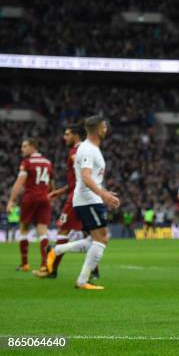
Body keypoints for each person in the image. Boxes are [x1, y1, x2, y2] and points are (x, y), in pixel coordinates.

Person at [47, 116, 120, 290]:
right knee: (101, 239)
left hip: (90, 199)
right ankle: (82, 280)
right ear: (97, 129)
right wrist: (103, 194)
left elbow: (91, 177)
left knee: (96, 239)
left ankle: (57, 251)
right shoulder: (87, 149)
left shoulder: (93, 148)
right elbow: (86, 177)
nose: (106, 130)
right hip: (88, 199)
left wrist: (103, 192)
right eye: (104, 127)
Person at [34, 123, 99, 279]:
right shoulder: (87, 149)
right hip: (88, 197)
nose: (64, 137)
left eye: (67, 134)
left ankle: (51, 269)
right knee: (93, 235)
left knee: (63, 231)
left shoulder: (76, 151)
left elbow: (82, 175)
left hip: (77, 198)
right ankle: (93, 271)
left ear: (76, 135)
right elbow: (77, 180)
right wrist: (59, 191)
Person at [7, 138, 54, 272]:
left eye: (24, 146)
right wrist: (47, 194)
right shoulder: (47, 162)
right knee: (43, 231)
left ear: (33, 147)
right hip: (44, 198)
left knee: (23, 229)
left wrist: (11, 200)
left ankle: (25, 264)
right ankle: (44, 264)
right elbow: (51, 184)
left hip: (30, 199)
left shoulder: (26, 163)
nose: (22, 149)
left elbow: (19, 182)